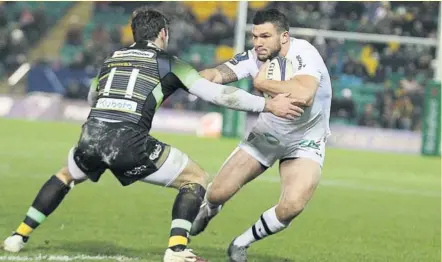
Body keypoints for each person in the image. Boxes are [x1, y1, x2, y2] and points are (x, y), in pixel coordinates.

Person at [2, 7, 305, 262]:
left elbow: (94, 96)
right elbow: (218, 96)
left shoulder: (112, 59)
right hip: (128, 142)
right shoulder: (169, 64)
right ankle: (176, 248)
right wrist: (267, 105)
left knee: (65, 175)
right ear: (162, 34)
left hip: (91, 135)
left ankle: (18, 235)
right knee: (195, 178)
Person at [190, 9, 332, 262]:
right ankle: (209, 209)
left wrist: (263, 84)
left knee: (292, 206)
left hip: (306, 141)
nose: (258, 43)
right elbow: (216, 74)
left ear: (284, 37)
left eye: (265, 36)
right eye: (255, 36)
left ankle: (241, 243)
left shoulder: (305, 54)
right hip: (268, 134)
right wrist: (190, 80)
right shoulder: (256, 56)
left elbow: (304, 94)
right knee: (217, 194)